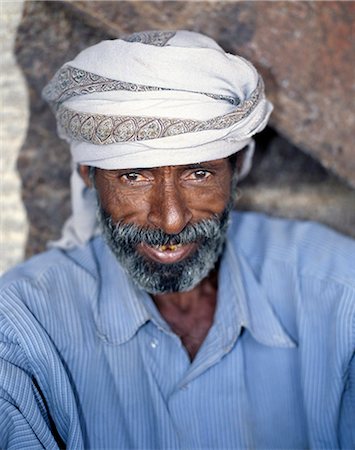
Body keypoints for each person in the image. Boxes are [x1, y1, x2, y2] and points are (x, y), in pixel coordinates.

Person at [0, 30, 354, 450]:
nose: (170, 220)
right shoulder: (21, 328)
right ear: (87, 176)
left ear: (237, 167)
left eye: (198, 173)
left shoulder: (338, 291)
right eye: (133, 175)